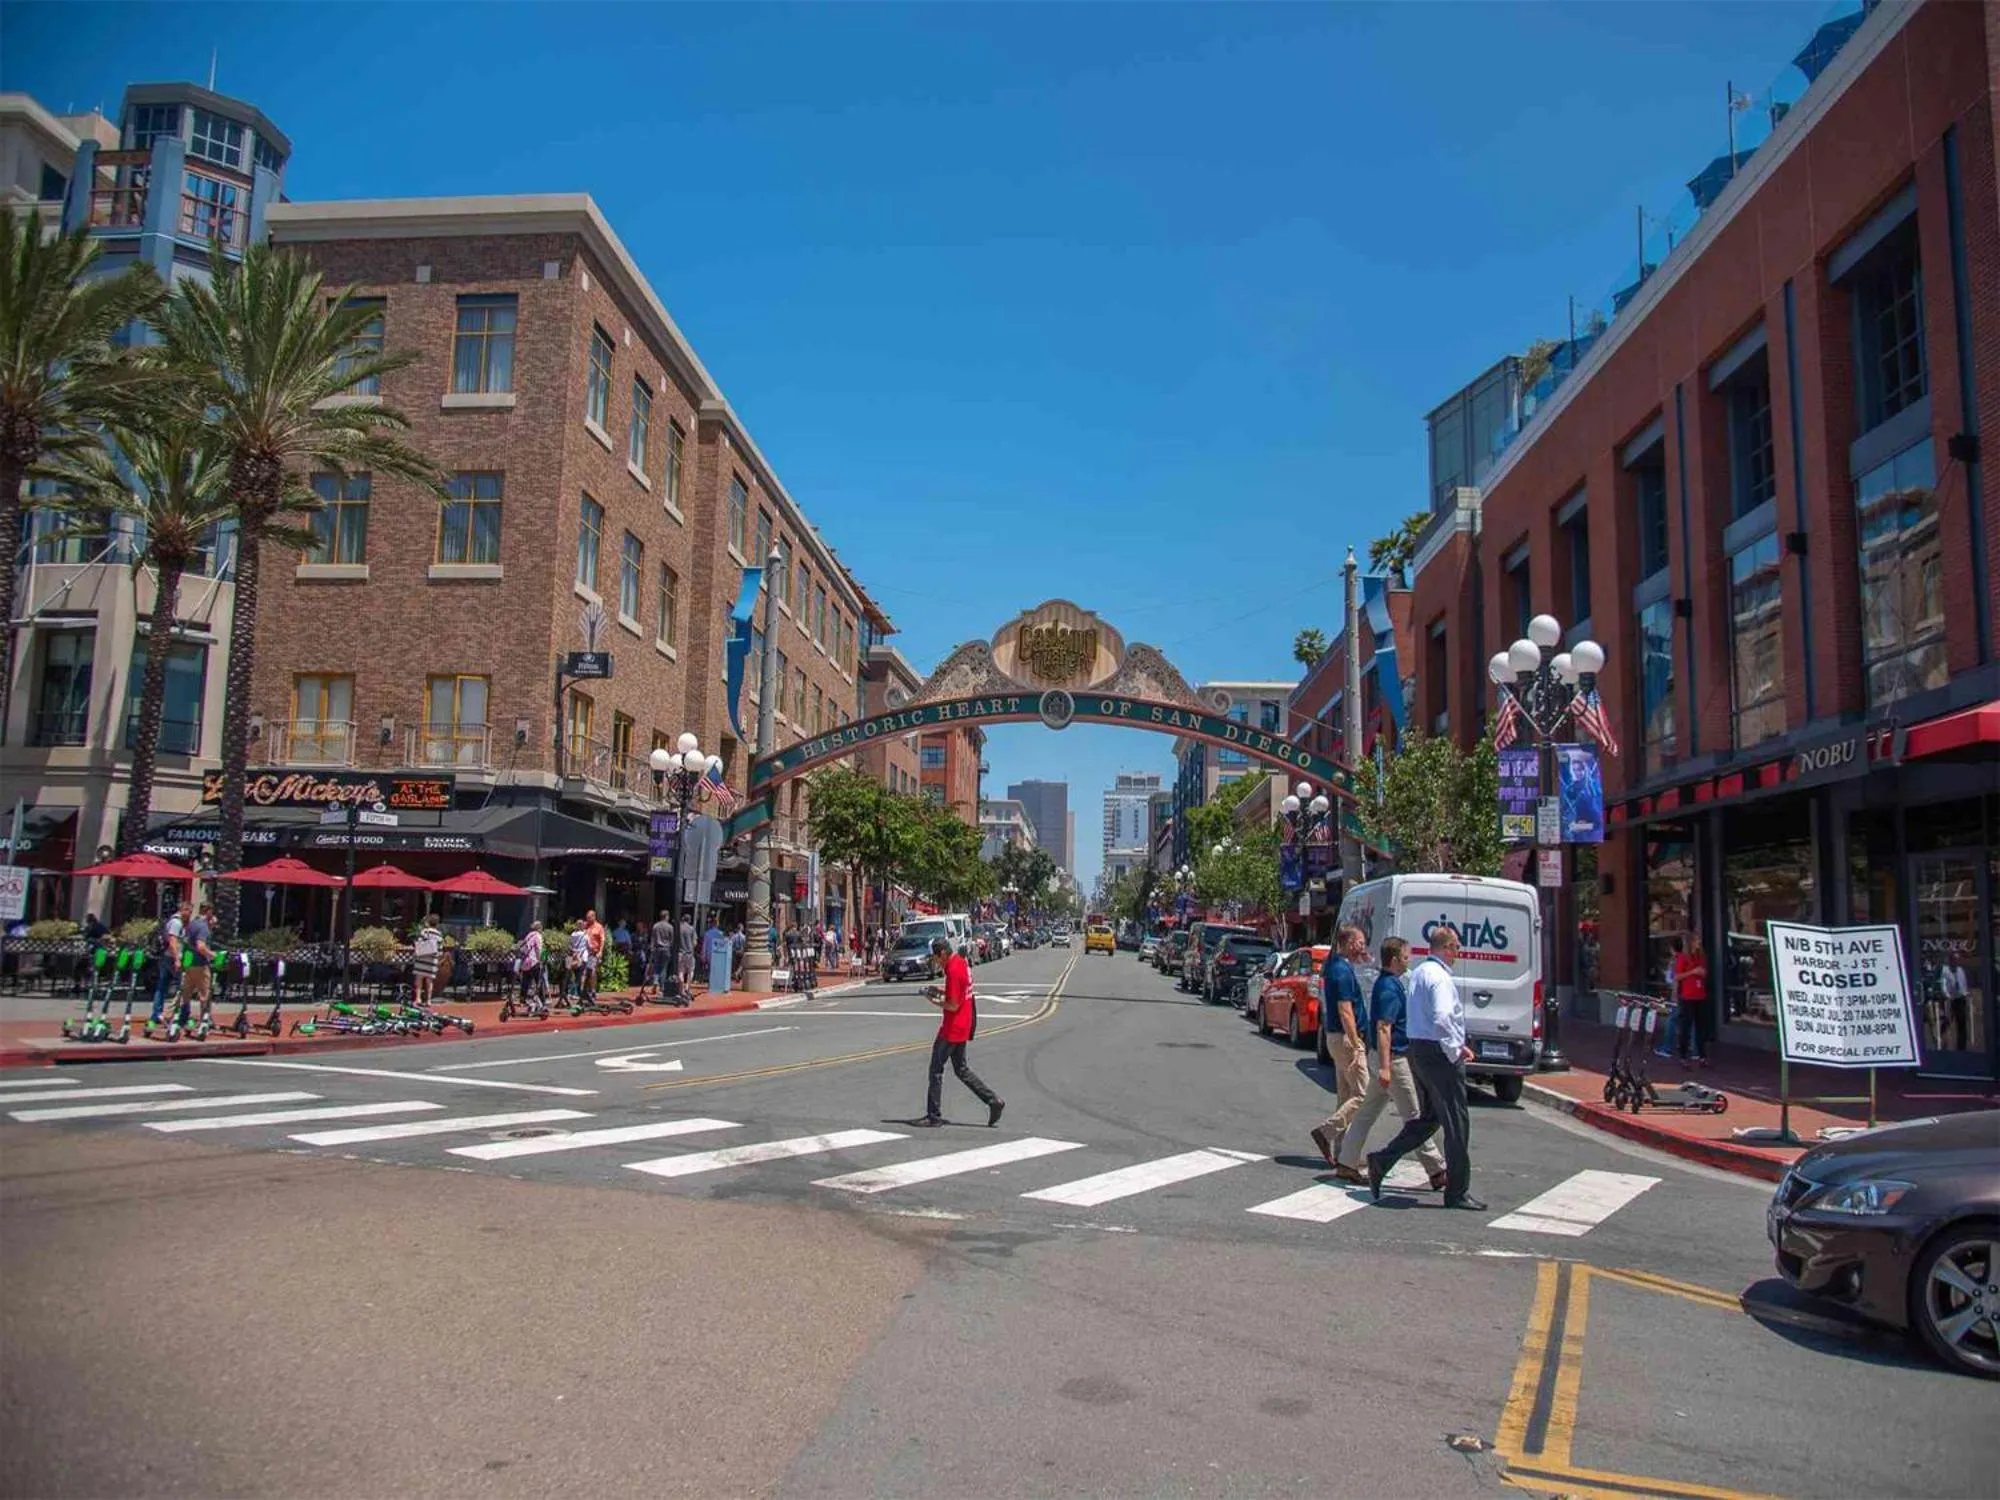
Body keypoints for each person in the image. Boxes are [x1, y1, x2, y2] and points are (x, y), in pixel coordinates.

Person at [1365, 923, 1483, 1211]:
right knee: (1457, 1123)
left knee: (1430, 1118)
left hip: (1418, 1049)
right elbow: (1443, 1017)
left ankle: (1382, 1160)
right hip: (1438, 1053)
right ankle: (1457, 1191)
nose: (1458, 952)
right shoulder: (1440, 978)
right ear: (1444, 948)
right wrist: (1455, 1048)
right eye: (1455, 947)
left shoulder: (1418, 973)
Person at [1334, 937, 1447, 1190]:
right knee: (1415, 1117)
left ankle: (1346, 1162)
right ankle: (1437, 1169)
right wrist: (1385, 1067)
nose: (1410, 960)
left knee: (1367, 1112)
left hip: (1385, 1058)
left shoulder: (1389, 983)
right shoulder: (1389, 988)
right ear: (1395, 959)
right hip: (1393, 1059)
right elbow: (1384, 1028)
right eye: (1406, 956)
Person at [919, 936, 1003, 1127]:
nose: (935, 961)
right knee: (961, 1070)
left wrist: (931, 998)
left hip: (952, 1028)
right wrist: (938, 990)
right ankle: (993, 1101)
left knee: (936, 1069)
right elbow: (957, 991)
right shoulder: (960, 963)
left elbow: (952, 1004)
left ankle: (934, 1115)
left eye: (935, 957)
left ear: (942, 953)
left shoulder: (954, 970)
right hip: (962, 1025)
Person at [1309, 926, 1371, 1170]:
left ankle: (1343, 1155)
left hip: (1336, 1037)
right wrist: (1356, 1043)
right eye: (1361, 943)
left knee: (1346, 1095)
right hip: (1346, 1039)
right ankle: (1326, 1132)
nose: (1363, 947)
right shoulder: (1342, 971)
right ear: (1350, 943)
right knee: (1363, 1095)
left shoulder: (1337, 966)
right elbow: (1346, 1010)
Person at [149, 901, 188, 1024]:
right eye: (189, 911)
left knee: (162, 985)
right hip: (170, 958)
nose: (189, 915)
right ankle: (180, 1015)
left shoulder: (172, 921)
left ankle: (157, 1014)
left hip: (166, 957)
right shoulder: (176, 923)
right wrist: (177, 959)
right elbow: (173, 941)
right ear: (183, 910)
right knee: (183, 985)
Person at [1675, 933, 1709, 1066]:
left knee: (1701, 1027)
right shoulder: (1683, 958)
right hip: (1687, 997)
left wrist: (1702, 973)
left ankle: (1702, 1056)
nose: (1698, 943)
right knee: (1686, 1027)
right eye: (1696, 941)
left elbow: (1705, 972)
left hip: (1700, 996)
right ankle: (1683, 1056)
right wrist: (1692, 972)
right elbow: (1677, 976)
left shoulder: (1701, 957)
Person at [180, 902, 216, 1025]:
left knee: (186, 993)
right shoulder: (202, 927)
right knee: (204, 994)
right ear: (209, 912)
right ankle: (205, 1020)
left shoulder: (192, 924)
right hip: (200, 964)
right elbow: (201, 946)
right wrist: (212, 955)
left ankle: (183, 1017)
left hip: (189, 962)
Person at [411, 914, 444, 1006]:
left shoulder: (424, 932)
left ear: (428, 922)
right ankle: (428, 1000)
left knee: (419, 979)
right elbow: (440, 950)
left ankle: (418, 998)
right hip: (432, 959)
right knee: (429, 981)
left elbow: (419, 943)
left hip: (422, 958)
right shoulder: (439, 934)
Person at [648, 910, 676, 997]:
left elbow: (652, 938)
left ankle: (655, 981)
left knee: (656, 966)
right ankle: (661, 988)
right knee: (664, 968)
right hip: (666, 949)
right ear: (666, 916)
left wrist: (652, 948)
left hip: (657, 948)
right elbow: (672, 940)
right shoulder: (670, 927)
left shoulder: (655, 926)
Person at [517, 922, 546, 1004]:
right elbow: (538, 949)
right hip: (534, 961)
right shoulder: (538, 936)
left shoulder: (529, 935)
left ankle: (522, 998)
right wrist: (540, 959)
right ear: (540, 928)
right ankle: (542, 999)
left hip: (525, 962)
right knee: (539, 981)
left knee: (525, 981)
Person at [567, 921, 594, 1001]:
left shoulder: (573, 934)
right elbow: (589, 946)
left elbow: (570, 944)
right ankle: (576, 993)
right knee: (580, 976)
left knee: (573, 975)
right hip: (582, 957)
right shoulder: (585, 935)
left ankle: (571, 992)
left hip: (574, 957)